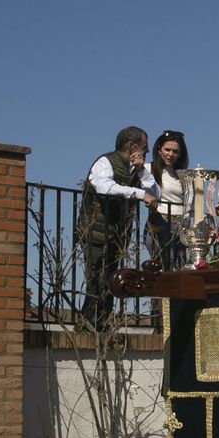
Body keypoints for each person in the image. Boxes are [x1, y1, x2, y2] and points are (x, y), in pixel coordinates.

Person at [76, 127, 156, 329]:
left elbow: (155, 192)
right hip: (95, 231)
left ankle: (100, 322)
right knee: (95, 277)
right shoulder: (106, 162)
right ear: (131, 147)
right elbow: (104, 187)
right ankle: (90, 322)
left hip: (117, 236)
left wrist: (141, 171)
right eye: (144, 148)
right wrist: (138, 194)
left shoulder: (135, 170)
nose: (146, 153)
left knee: (110, 279)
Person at [145, 130, 188, 271]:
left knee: (179, 266)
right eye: (167, 150)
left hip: (180, 225)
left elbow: (189, 201)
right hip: (160, 221)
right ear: (159, 150)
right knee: (162, 266)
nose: (170, 154)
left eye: (175, 151)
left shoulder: (182, 175)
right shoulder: (148, 169)